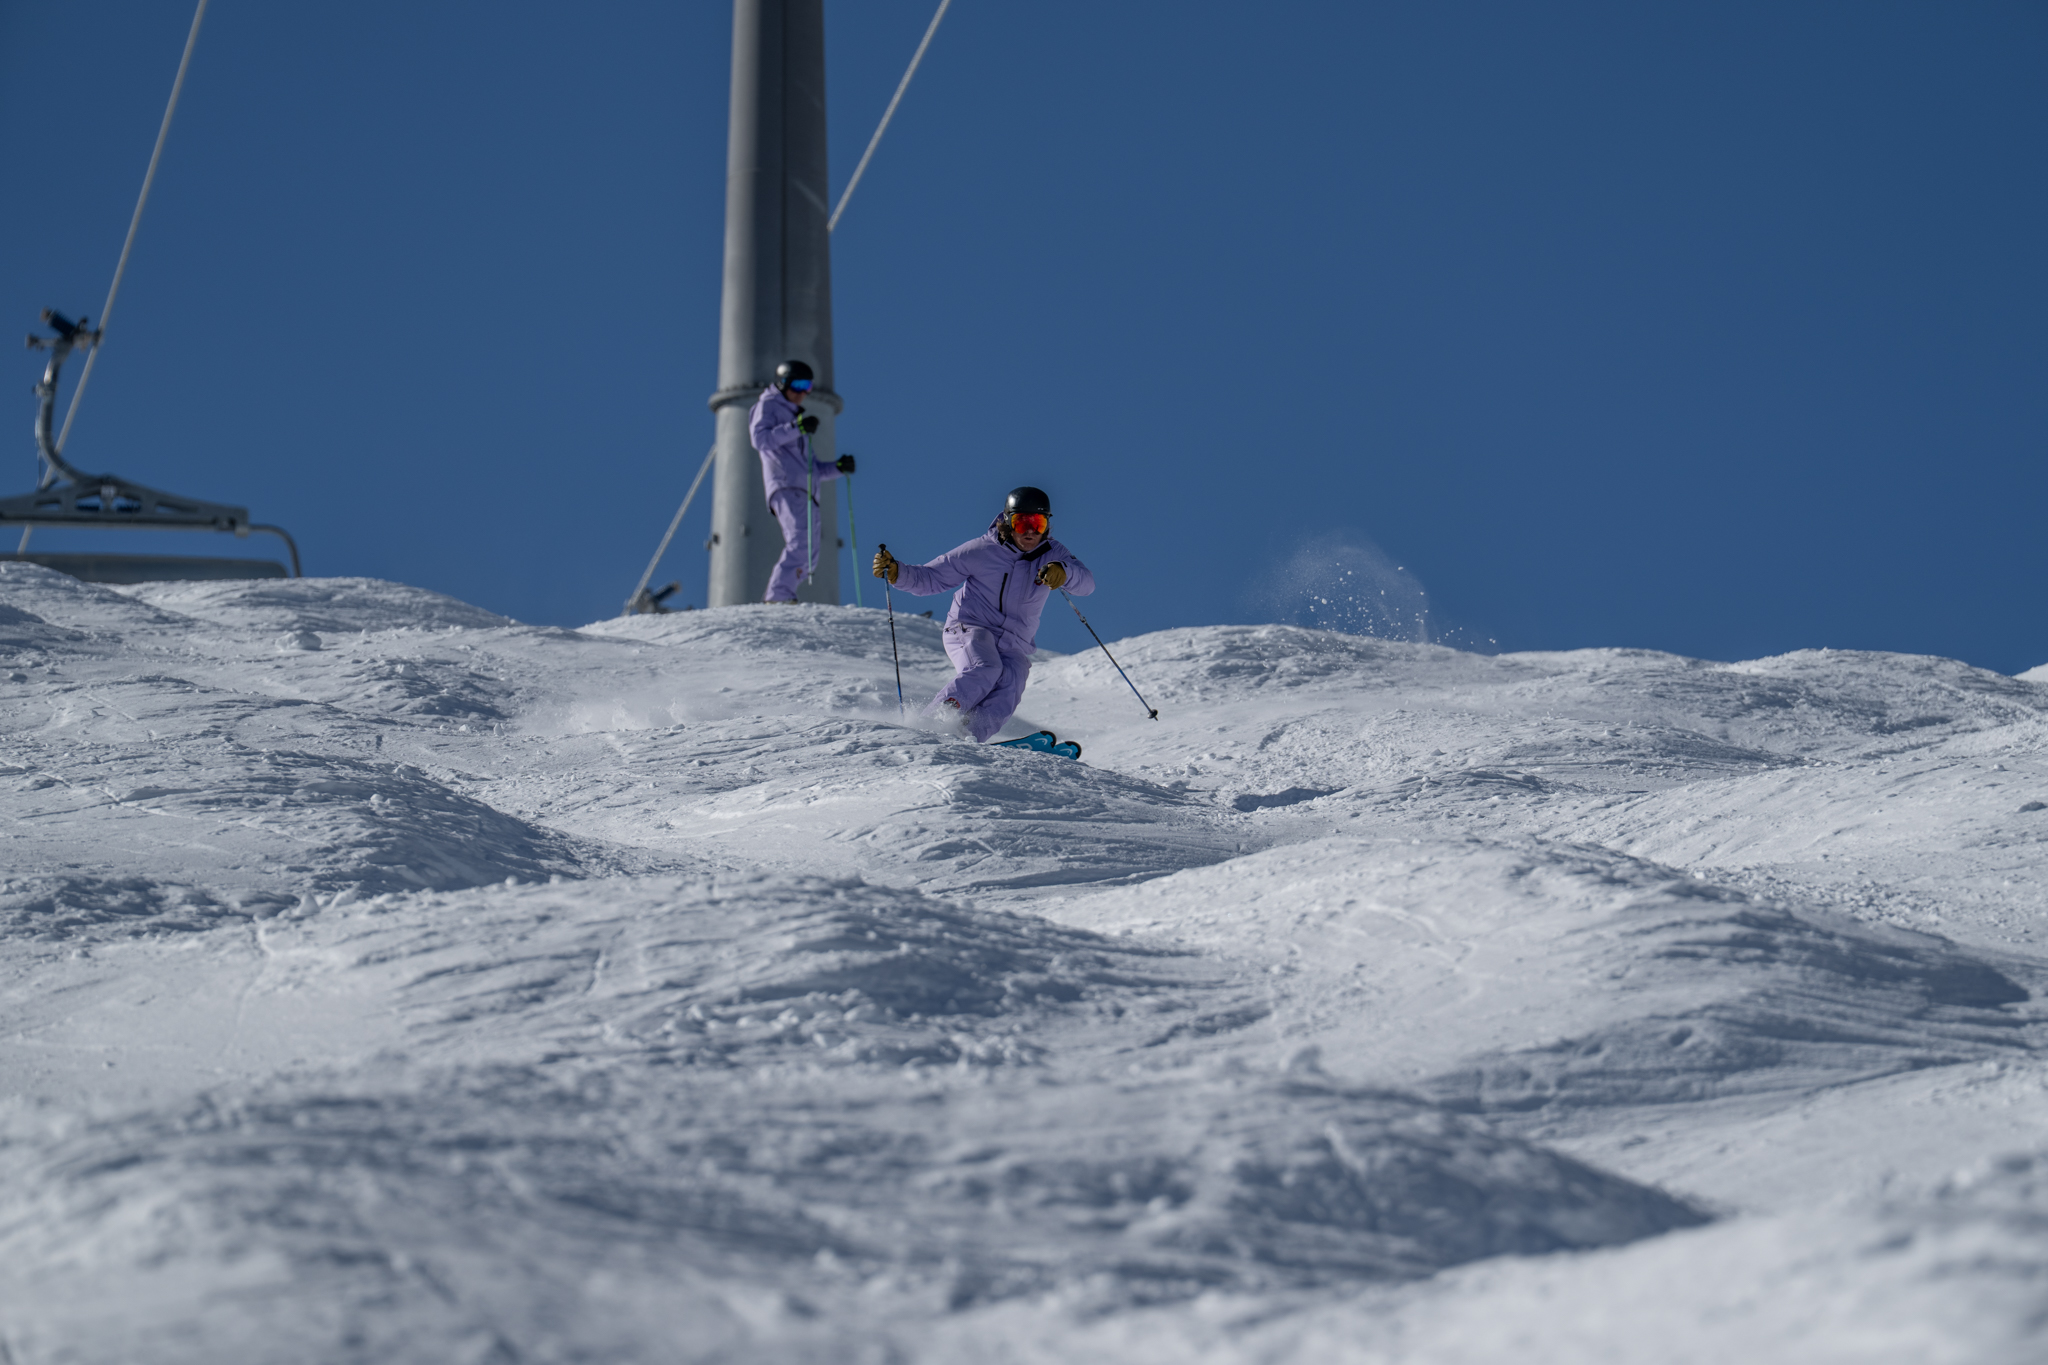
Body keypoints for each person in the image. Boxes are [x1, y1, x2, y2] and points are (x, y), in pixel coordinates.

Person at [871, 486, 1094, 742]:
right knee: (985, 667)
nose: (1031, 531)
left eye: (1039, 522)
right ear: (1009, 521)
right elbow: (932, 578)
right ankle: (932, 722)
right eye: (1023, 523)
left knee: (1012, 680)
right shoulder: (981, 550)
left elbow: (1087, 584)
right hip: (968, 629)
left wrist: (1064, 571)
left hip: (1013, 643)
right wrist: (897, 571)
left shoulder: (1054, 554)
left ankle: (968, 737)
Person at [750, 359, 855, 604]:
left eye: (807, 386)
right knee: (800, 541)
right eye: (798, 384)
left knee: (809, 551)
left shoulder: (796, 420)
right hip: (785, 484)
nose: (803, 392)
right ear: (783, 382)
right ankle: (778, 595)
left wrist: (838, 467)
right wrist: (795, 427)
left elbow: (812, 468)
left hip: (804, 490)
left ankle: (784, 594)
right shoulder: (768, 406)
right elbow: (760, 439)